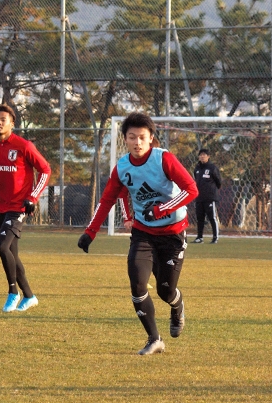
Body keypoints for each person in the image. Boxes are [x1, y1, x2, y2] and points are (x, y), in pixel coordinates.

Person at [77, 112, 198, 355]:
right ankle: (154, 338)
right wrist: (90, 232)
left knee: (165, 291)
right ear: (125, 139)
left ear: (151, 138)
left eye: (142, 137)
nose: (137, 142)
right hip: (143, 233)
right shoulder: (122, 167)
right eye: (132, 137)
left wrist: (161, 210)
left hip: (173, 233)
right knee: (138, 283)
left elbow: (191, 190)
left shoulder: (164, 159)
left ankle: (177, 306)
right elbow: (107, 200)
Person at [0, 104, 51, 313]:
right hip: (2, 206)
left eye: (3, 120)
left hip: (19, 207)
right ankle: (29, 296)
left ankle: (13, 292)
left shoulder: (24, 146)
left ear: (12, 124)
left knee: (2, 246)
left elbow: (45, 170)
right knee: (12, 254)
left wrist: (33, 197)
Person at [192, 148, 222, 244]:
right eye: (200, 155)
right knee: (200, 218)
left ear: (208, 156)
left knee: (212, 217)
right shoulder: (197, 168)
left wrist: (211, 191)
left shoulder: (212, 168)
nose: (202, 156)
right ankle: (199, 237)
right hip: (199, 197)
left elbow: (218, 182)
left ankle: (215, 237)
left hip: (210, 198)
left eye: (204, 155)